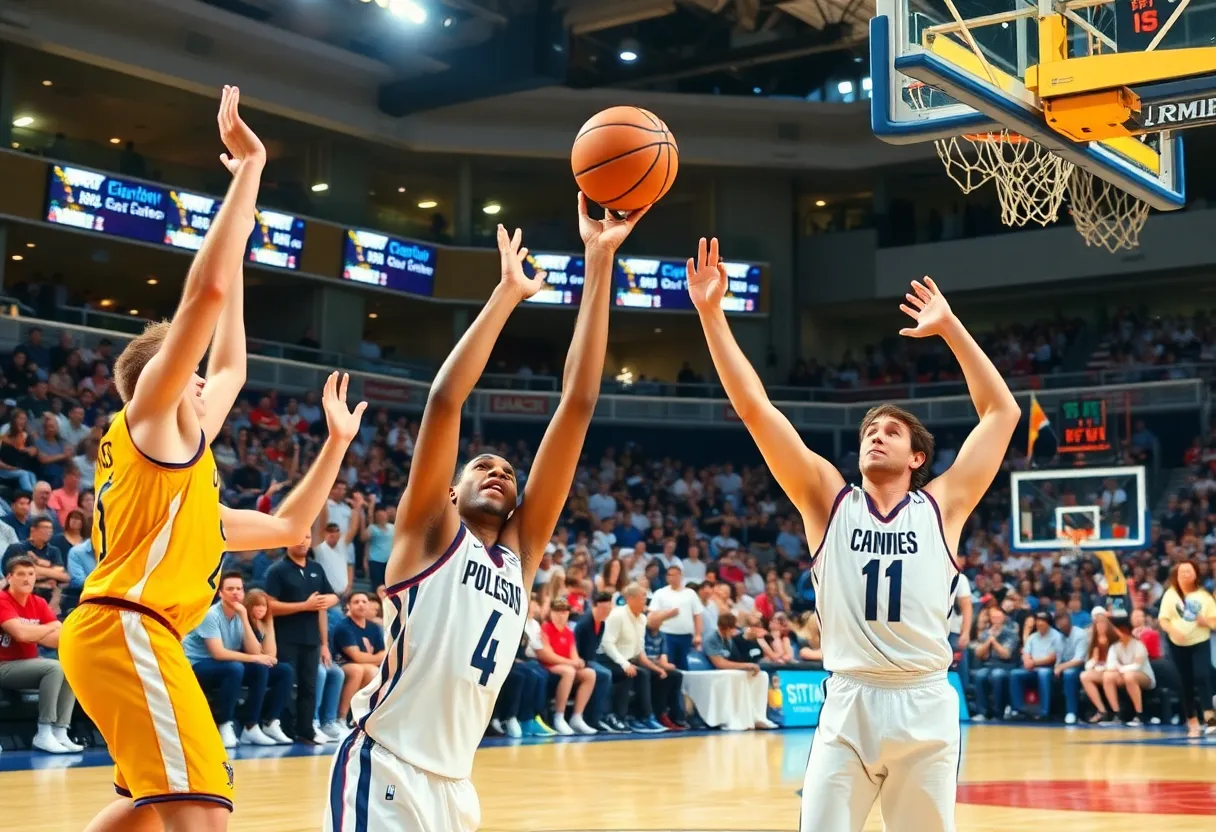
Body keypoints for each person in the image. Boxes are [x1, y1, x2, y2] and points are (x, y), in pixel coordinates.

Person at [57, 87, 367, 832]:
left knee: (143, 804)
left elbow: (292, 516)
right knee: (202, 812)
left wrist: (335, 445)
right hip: (125, 627)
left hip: (128, 634)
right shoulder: (151, 419)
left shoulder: (186, 483)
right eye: (189, 370)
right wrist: (246, 174)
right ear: (162, 377)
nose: (206, 380)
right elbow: (204, 295)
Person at [327, 197, 647, 832]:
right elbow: (445, 401)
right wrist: (506, 295)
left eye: (508, 469)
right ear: (449, 495)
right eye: (482, 467)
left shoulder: (519, 558)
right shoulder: (428, 535)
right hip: (386, 764)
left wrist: (600, 258)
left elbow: (578, 402)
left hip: (456, 783)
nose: (500, 471)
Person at [687, 246, 1019, 832]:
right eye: (870, 429)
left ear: (918, 457)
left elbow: (1001, 412)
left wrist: (950, 328)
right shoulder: (827, 499)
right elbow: (755, 410)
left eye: (892, 431)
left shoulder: (942, 505)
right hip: (847, 701)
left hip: (924, 699)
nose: (876, 435)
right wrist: (713, 316)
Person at [182, 573, 294, 748]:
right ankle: (224, 724)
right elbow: (218, 653)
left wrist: (244, 617)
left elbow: (257, 652)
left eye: (239, 589)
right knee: (235, 668)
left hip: (226, 664)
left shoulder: (242, 613)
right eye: (230, 589)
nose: (235, 592)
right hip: (198, 664)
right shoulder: (210, 615)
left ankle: (256, 725)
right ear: (221, 593)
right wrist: (254, 657)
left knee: (282, 670)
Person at [0, 556, 80, 753]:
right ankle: (44, 733)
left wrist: (36, 634)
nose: (27, 579)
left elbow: (58, 640)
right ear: (9, 578)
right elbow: (20, 633)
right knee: (53, 667)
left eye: (31, 574)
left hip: (28, 664)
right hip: (4, 666)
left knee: (69, 665)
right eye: (21, 574)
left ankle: (60, 731)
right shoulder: (3, 601)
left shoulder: (38, 602)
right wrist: (50, 626)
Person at [1156, 559, 1216, 737]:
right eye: (1182, 572)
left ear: (1196, 574)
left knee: (1202, 676)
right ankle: (1192, 720)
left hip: (1200, 642)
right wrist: (1173, 631)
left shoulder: (1204, 596)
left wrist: (1205, 621)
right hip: (1177, 645)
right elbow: (1163, 619)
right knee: (1184, 683)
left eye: (1189, 571)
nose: (1185, 575)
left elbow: (1214, 622)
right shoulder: (1170, 594)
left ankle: (1210, 719)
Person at [332, 591, 386, 726]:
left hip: (362, 665)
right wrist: (376, 657)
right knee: (357, 670)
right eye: (356, 602)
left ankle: (357, 716)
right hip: (341, 663)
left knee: (372, 671)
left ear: (369, 605)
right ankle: (341, 718)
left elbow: (384, 654)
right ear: (349, 606)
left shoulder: (374, 627)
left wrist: (374, 658)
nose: (361, 605)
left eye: (364, 602)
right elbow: (356, 657)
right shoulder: (344, 627)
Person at [1101, 610, 1155, 726]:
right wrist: (1118, 668)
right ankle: (1116, 714)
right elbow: (1110, 665)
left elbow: (1137, 666)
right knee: (1107, 676)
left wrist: (1120, 668)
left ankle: (1139, 715)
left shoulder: (1138, 645)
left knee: (1129, 676)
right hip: (1123, 675)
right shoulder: (1115, 647)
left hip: (1144, 676)